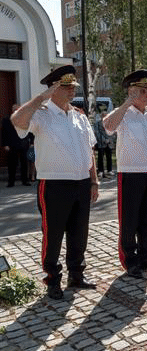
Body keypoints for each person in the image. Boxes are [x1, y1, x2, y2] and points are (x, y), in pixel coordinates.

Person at [10, 65, 99, 299]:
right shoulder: (41, 114)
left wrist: (94, 181)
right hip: (54, 185)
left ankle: (76, 274)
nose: (72, 91)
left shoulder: (80, 116)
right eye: (66, 87)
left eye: (73, 87)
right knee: (54, 235)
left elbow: (89, 150)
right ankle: (52, 279)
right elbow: (16, 120)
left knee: (79, 233)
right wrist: (41, 97)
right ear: (53, 89)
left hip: (81, 183)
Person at [103, 69, 147, 279]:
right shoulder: (123, 114)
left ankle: (146, 257)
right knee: (129, 220)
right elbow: (108, 127)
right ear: (131, 92)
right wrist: (126, 104)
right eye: (142, 91)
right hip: (130, 173)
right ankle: (130, 261)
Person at [2, 104, 31, 187]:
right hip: (11, 145)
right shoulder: (6, 119)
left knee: (24, 164)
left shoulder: (25, 118)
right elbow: (4, 133)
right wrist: (5, 145)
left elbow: (30, 130)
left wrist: (31, 142)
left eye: (17, 109)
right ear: (12, 110)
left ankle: (25, 180)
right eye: (14, 109)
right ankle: (11, 182)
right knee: (12, 164)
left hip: (23, 144)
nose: (16, 110)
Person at [94, 111, 114, 179]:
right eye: (104, 116)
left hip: (109, 143)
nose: (105, 117)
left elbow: (112, 132)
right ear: (101, 116)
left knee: (109, 157)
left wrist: (109, 139)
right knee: (100, 158)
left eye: (106, 116)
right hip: (101, 143)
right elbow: (97, 133)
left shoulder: (110, 123)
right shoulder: (97, 123)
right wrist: (104, 140)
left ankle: (109, 170)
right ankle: (100, 171)